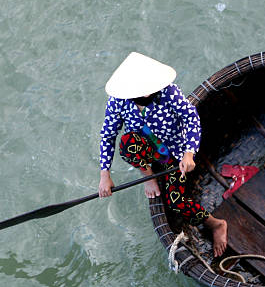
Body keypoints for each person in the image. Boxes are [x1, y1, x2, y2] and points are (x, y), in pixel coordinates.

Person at [97, 52, 227, 257]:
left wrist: (189, 153)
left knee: (176, 202)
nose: (148, 95)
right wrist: (105, 175)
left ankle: (216, 224)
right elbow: (108, 135)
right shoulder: (118, 102)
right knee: (127, 142)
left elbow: (190, 118)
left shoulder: (168, 92)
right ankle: (149, 176)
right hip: (149, 154)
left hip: (174, 153)